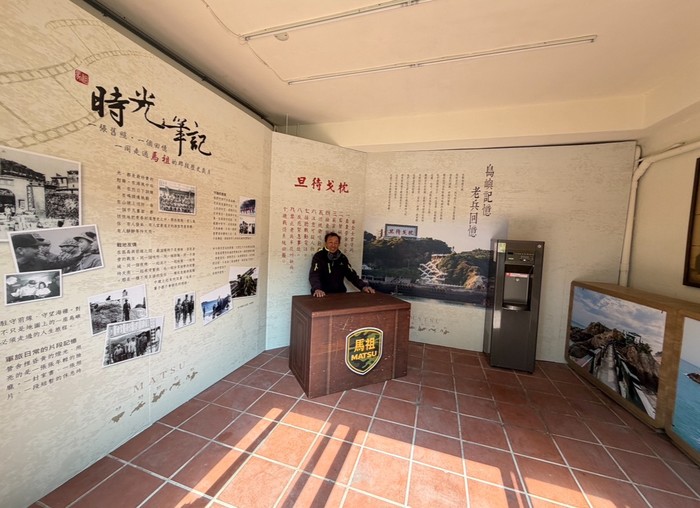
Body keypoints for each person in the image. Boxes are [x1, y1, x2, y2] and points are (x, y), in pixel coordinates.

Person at [309, 232, 375, 297]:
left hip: (339, 294)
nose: (333, 245)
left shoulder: (342, 258)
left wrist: (363, 286)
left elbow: (352, 275)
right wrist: (317, 289)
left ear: (339, 244)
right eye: (330, 242)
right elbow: (314, 275)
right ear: (326, 243)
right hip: (322, 294)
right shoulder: (318, 256)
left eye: (336, 243)